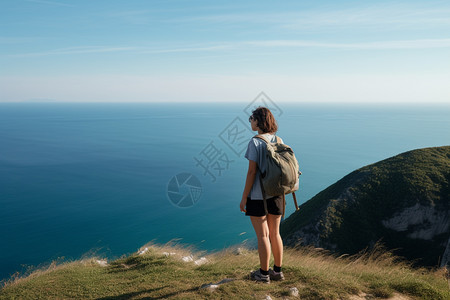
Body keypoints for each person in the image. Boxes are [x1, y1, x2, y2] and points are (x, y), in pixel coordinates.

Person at [240, 106, 285, 283]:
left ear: (259, 120)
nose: (250, 121)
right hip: (278, 194)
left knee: (263, 236)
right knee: (276, 234)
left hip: (259, 196)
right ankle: (277, 272)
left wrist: (244, 198)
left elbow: (252, 172)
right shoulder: (278, 139)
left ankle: (263, 274)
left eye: (251, 118)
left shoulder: (255, 142)